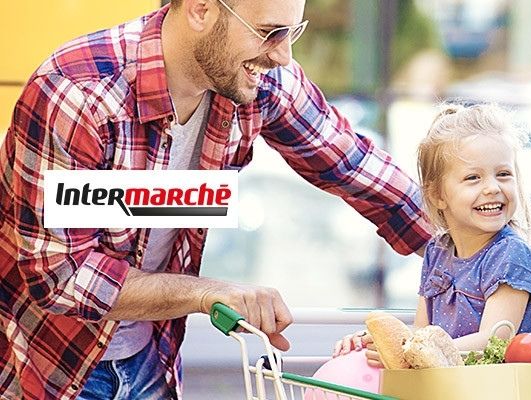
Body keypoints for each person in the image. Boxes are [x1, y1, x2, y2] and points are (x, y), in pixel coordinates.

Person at [0, 0, 434, 398]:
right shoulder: (79, 92)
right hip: (47, 365)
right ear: (202, 9)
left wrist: (480, 249)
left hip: (153, 362)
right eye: (269, 33)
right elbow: (60, 276)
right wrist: (207, 293)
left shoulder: (256, 79)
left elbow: (353, 164)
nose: (282, 55)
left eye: (291, 32)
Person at [332, 104, 531, 366]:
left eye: (503, 174)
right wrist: (379, 343)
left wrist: (410, 351)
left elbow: (495, 342)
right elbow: (422, 334)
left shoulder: (510, 255)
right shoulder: (437, 252)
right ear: (437, 195)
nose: (492, 187)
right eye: (473, 178)